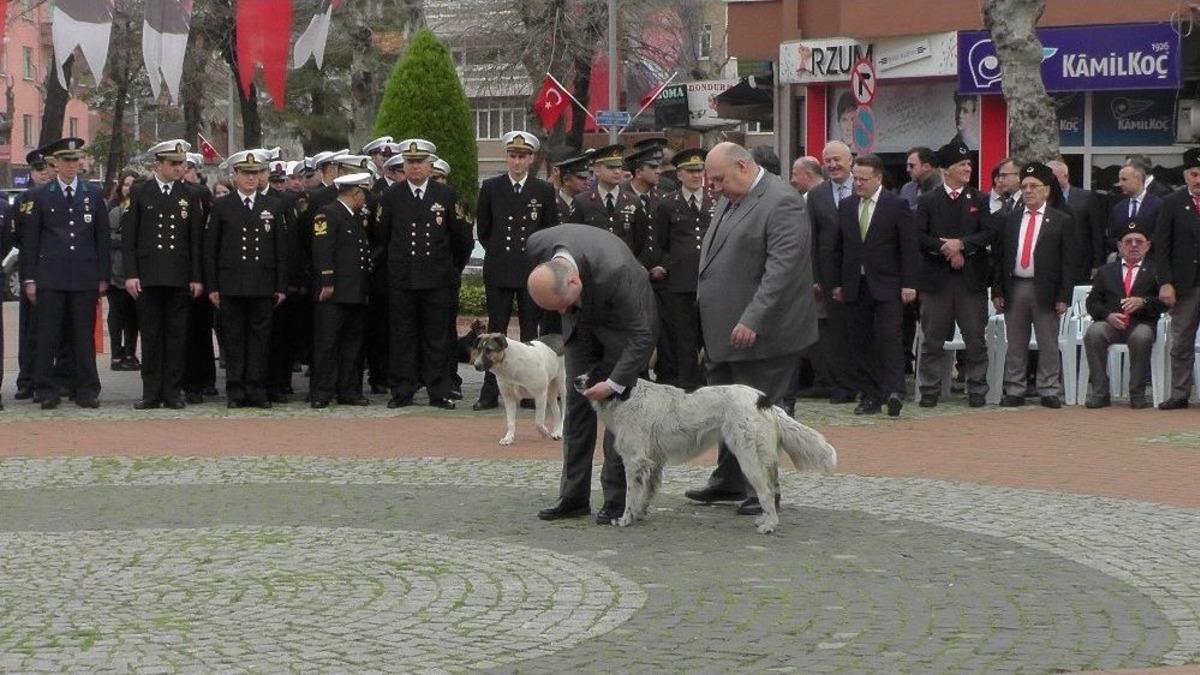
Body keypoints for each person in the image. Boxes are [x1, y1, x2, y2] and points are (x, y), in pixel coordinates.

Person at [685, 142, 815, 516]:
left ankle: (764, 490)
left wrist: (752, 318)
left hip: (764, 336)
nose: (715, 188)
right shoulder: (733, 196)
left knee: (758, 415)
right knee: (726, 409)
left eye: (720, 179)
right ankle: (729, 480)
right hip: (724, 331)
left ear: (743, 166)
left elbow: (782, 270)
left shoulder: (782, 202)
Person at [525, 224, 657, 524]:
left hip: (622, 328)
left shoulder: (618, 269)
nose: (559, 312)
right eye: (554, 308)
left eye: (563, 305)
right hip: (581, 326)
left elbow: (643, 334)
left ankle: (617, 500)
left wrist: (613, 383)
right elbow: (556, 296)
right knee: (576, 408)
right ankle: (573, 497)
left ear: (574, 280)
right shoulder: (537, 245)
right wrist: (568, 308)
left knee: (619, 414)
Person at [379, 139, 472, 409]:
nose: (415, 167)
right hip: (402, 280)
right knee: (402, 336)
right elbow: (382, 237)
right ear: (403, 165)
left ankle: (439, 389)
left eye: (420, 162)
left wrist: (452, 269)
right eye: (410, 162)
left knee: (438, 338)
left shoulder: (446, 196)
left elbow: (461, 239)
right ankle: (403, 389)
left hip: (437, 279)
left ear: (431, 166)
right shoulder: (391, 196)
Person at [826, 153, 920, 416]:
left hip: (888, 284)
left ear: (878, 178)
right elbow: (838, 248)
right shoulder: (846, 206)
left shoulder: (896, 205)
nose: (858, 184)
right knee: (861, 341)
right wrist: (836, 282)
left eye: (863, 179)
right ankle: (870, 394)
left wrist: (909, 283)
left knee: (890, 337)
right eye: (855, 179)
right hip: (856, 284)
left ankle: (894, 391)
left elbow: (909, 248)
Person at [21, 137, 111, 409]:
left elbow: (102, 239)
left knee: (83, 336)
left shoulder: (92, 194)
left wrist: (103, 276)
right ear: (55, 163)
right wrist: (29, 278)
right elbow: (31, 242)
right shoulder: (40, 196)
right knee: (48, 335)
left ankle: (86, 389)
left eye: (76, 159)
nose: (73, 165)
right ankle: (46, 388)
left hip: (84, 276)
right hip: (51, 277)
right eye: (67, 160)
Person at [473, 131, 559, 411]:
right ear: (506, 157)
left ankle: (530, 389)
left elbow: (549, 231)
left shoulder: (542, 190)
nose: (517, 162)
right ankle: (489, 392)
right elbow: (484, 230)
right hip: (500, 268)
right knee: (494, 331)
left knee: (528, 332)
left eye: (522, 156)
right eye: (512, 155)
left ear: (531, 159)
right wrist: (500, 252)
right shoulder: (491, 187)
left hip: (530, 271)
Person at [123, 140, 205, 410]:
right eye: (173, 164)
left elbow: (195, 239)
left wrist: (196, 276)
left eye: (181, 163)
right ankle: (151, 391)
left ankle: (172, 390)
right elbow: (130, 237)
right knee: (151, 335)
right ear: (158, 164)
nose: (178, 168)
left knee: (176, 336)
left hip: (178, 274)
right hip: (149, 274)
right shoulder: (140, 191)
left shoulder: (190, 194)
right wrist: (131, 273)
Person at [203, 150, 289, 409]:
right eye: (245, 174)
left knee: (260, 341)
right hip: (231, 285)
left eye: (255, 173)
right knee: (234, 340)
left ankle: (256, 389)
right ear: (235, 175)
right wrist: (213, 286)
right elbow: (211, 250)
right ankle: (236, 390)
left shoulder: (272, 206)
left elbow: (281, 249)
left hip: (262, 285)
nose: (251, 179)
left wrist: (281, 285)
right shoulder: (222, 205)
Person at [914, 141, 993, 407]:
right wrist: (944, 248)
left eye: (969, 164)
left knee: (975, 339)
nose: (967, 169)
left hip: (971, 282)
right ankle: (929, 389)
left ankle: (977, 389)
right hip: (937, 282)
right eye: (962, 165)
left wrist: (962, 245)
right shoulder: (927, 200)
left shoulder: (980, 200)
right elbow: (919, 235)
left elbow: (988, 233)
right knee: (932, 339)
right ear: (947, 170)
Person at [991, 162, 1073, 408]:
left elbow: (1068, 262)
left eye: (1033, 186)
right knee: (1016, 340)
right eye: (1024, 186)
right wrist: (997, 290)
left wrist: (1063, 296)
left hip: (1046, 288)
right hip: (1016, 285)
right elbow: (999, 257)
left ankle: (1049, 388)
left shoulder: (1061, 220)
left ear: (1046, 190)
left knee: (1048, 340)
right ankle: (1015, 387)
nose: (1028, 191)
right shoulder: (1010, 218)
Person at [310, 172, 375, 408]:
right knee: (327, 344)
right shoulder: (328, 213)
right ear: (356, 193)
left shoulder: (355, 217)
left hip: (355, 291)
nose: (366, 200)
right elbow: (323, 250)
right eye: (364, 194)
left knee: (352, 344)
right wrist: (327, 281)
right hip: (334, 292)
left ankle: (348, 390)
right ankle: (322, 391)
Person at [1082, 223, 1162, 409]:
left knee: (1141, 337)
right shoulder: (1106, 271)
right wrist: (1108, 315)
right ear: (1119, 247)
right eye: (1128, 242)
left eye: (1139, 241)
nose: (1133, 245)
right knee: (1094, 333)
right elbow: (1092, 302)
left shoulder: (1156, 271)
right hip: (1112, 324)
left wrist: (1144, 302)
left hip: (1142, 323)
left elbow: (1165, 303)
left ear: (1148, 246)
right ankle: (1100, 393)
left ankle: (1137, 393)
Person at [654, 148, 712, 391]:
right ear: (679, 175)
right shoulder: (668, 204)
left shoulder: (716, 201)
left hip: (710, 278)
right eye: (690, 171)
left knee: (709, 331)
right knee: (685, 333)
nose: (696, 175)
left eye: (699, 170)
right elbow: (661, 241)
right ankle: (688, 380)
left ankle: (710, 377)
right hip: (681, 279)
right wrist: (667, 266)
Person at [806, 140, 858, 404]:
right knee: (835, 334)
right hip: (829, 276)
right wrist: (814, 277)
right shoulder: (816, 195)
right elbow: (811, 239)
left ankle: (866, 382)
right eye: (828, 161)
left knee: (862, 330)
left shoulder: (863, 187)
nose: (833, 165)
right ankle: (841, 385)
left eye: (837, 159)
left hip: (861, 273)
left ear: (850, 161)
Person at [1153, 147, 1200, 410]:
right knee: (1181, 339)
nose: (1198, 180)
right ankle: (1180, 393)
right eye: (1194, 174)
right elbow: (1162, 247)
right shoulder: (1172, 203)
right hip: (1185, 284)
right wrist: (1165, 282)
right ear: (1185, 175)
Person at [12, 148, 58, 401]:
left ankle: (56, 378)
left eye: (48, 169)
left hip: (55, 270)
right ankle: (26, 379)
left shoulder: (57, 197)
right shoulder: (23, 201)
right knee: (29, 328)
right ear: (31, 173)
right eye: (40, 170)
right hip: (32, 269)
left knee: (56, 329)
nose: (45, 174)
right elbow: (18, 236)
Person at [181, 152, 220, 403]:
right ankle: (183, 380)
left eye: (188, 167)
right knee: (180, 332)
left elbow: (207, 237)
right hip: (178, 271)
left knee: (200, 332)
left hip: (200, 273)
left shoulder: (201, 195)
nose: (185, 172)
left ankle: (204, 380)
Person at [571, 144, 652, 255]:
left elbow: (640, 239)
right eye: (611, 167)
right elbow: (575, 237)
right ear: (597, 170)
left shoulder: (633, 201)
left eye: (619, 167)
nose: (617, 172)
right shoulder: (582, 201)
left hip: (624, 263)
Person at [106, 170, 141, 372]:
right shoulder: (114, 210)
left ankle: (130, 353)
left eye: (133, 184)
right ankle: (116, 354)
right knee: (117, 314)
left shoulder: (141, 206)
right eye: (126, 184)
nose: (129, 188)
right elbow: (109, 239)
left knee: (134, 316)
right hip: (116, 272)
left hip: (136, 271)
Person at [1049, 159, 1105, 282]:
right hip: (1054, 263)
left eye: (1054, 177)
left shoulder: (1086, 197)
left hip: (1082, 263)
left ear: (1066, 176)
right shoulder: (1046, 200)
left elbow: (1097, 232)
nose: (1050, 181)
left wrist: (1097, 264)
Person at [1108, 161, 1162, 256]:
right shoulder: (1118, 208)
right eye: (1120, 180)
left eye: (1124, 179)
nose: (1120, 184)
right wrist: (1124, 246)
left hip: (1150, 262)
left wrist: (1140, 246)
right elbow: (1111, 238)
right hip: (1123, 264)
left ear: (1138, 179)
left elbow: (1161, 236)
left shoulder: (1158, 205)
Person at [552, 150, 591, 222]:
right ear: (566, 180)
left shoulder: (589, 203)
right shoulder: (551, 202)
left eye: (587, 178)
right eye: (581, 178)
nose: (587, 182)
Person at [899, 147, 941, 211]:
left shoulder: (946, 187)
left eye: (911, 166)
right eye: (907, 166)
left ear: (926, 167)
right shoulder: (907, 188)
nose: (908, 169)